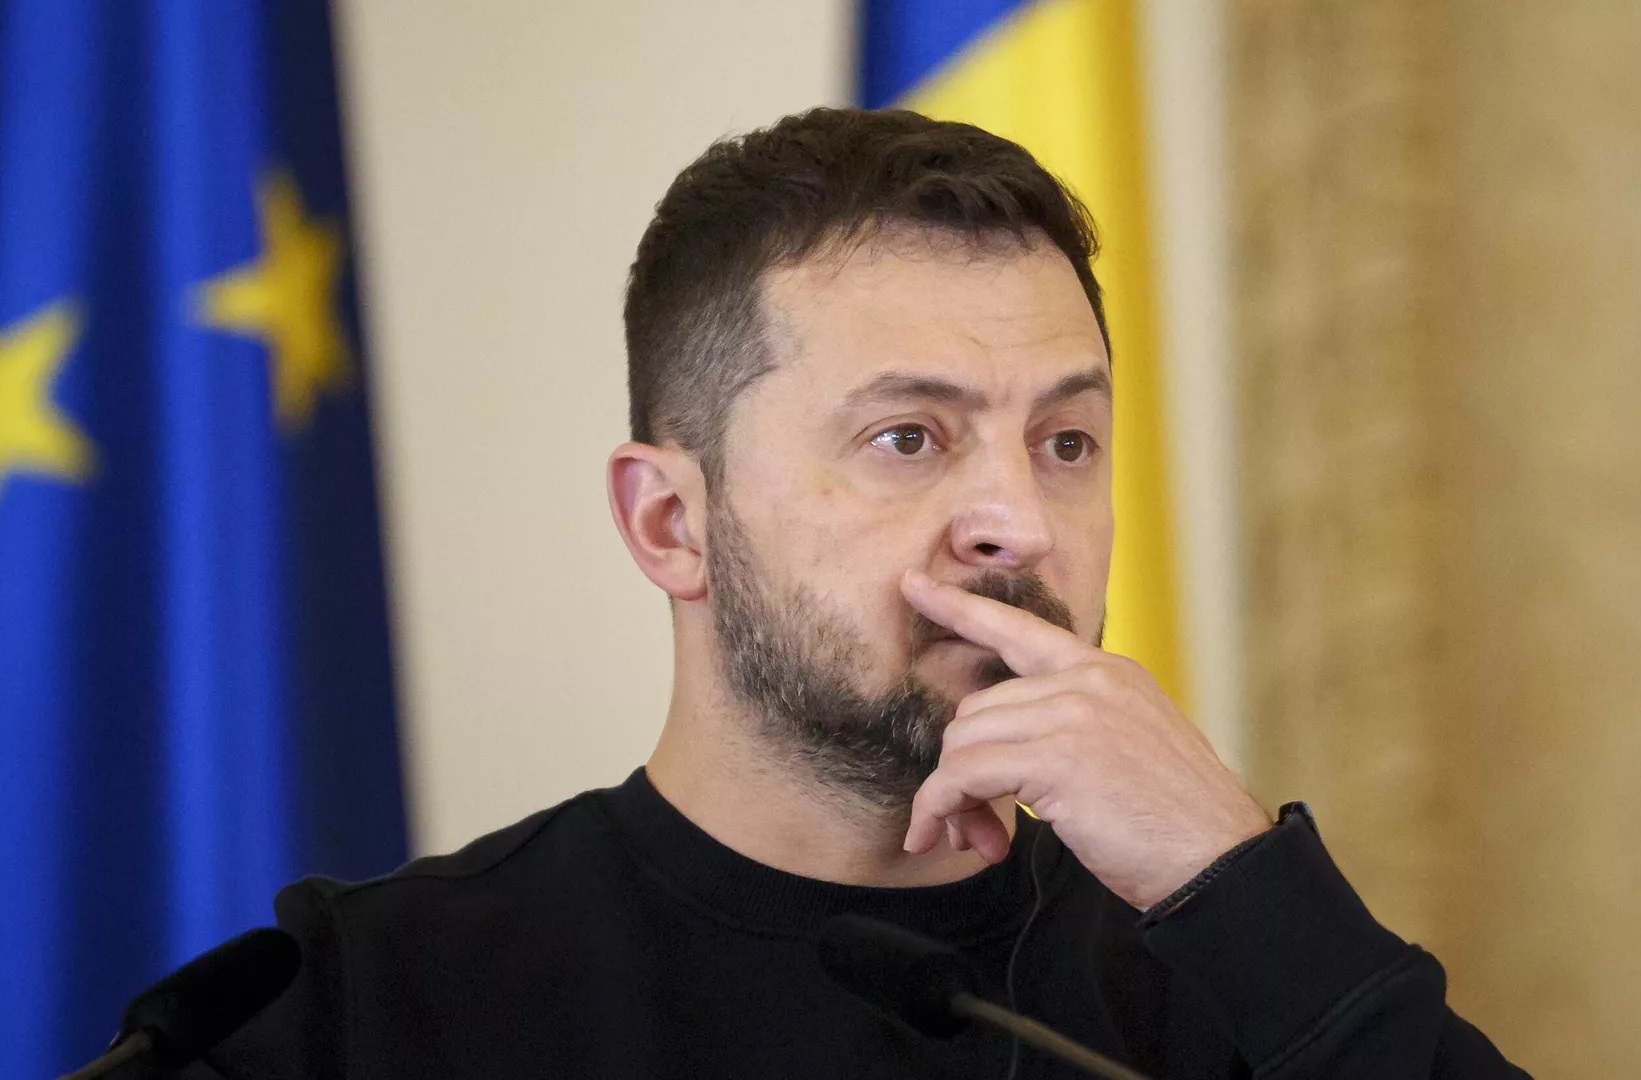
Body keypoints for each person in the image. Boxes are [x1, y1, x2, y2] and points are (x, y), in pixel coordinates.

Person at [198, 107, 1526, 1079]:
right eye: (909, 438)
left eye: (1066, 443)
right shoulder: (378, 1004)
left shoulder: (1237, 981)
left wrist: (1240, 886)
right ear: (671, 522)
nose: (1018, 524)